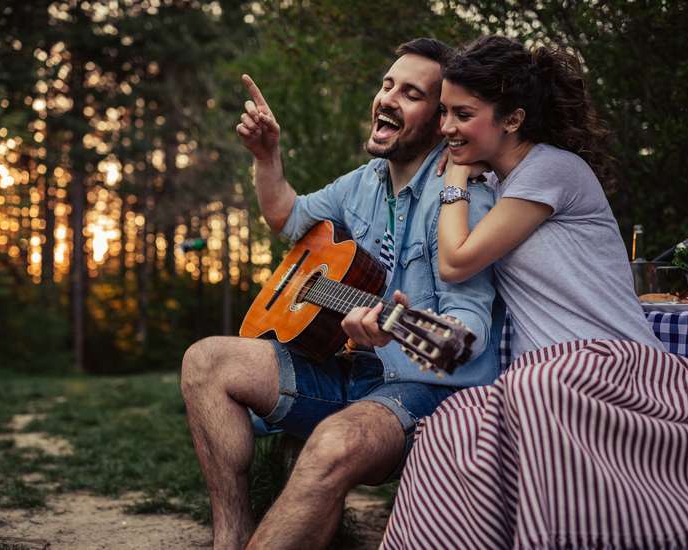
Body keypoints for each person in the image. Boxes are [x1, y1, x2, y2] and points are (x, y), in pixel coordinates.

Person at [382, 35, 688, 549]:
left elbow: (455, 262)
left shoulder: (553, 170)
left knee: (535, 387)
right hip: (541, 379)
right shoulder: (492, 188)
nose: (445, 126)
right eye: (445, 112)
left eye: (462, 114)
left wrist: (453, 173)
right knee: (451, 426)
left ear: (513, 119)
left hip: (612, 364)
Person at [180, 38, 504, 550]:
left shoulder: (464, 194)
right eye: (387, 85)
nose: (388, 98)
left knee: (331, 442)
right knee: (205, 361)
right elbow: (288, 218)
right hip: (348, 371)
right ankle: (230, 537)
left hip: (420, 387)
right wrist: (267, 155)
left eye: (412, 93)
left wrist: (414, 334)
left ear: (442, 119)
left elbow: (468, 321)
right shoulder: (363, 182)